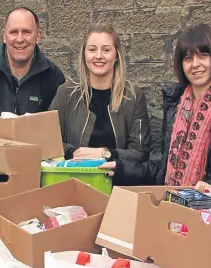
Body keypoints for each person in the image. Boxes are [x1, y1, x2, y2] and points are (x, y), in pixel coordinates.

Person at [101, 24, 211, 188]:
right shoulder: (175, 104)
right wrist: (121, 168)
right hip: (174, 202)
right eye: (188, 58)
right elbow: (163, 169)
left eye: (203, 55)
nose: (195, 64)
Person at [49, 23, 151, 165]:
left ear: (116, 56)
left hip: (117, 181)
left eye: (106, 50)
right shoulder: (66, 93)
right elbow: (49, 140)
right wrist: (74, 153)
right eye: (92, 49)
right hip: (73, 177)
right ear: (84, 55)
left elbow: (140, 152)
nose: (98, 56)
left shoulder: (133, 97)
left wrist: (105, 153)